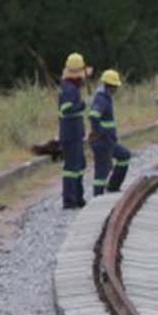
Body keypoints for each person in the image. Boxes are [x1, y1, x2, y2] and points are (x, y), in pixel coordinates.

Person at [88, 69, 131, 197]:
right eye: (115, 87)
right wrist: (100, 132)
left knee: (124, 156)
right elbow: (93, 116)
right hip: (102, 141)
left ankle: (113, 186)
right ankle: (98, 198)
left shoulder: (106, 97)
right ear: (109, 86)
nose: (116, 89)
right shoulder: (101, 99)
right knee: (101, 172)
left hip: (108, 141)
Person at [56, 53, 89, 210]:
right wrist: (82, 105)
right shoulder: (70, 89)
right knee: (72, 167)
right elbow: (66, 109)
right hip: (71, 133)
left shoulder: (71, 86)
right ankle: (70, 200)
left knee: (79, 165)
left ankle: (78, 197)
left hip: (74, 133)